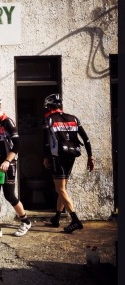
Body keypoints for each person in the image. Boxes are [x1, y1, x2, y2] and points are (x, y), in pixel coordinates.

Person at [0, 95, 32, 239]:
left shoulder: (7, 122)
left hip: (7, 164)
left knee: (9, 195)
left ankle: (26, 221)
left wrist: (7, 161)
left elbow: (17, 145)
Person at [42, 93, 94, 233]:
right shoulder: (74, 118)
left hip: (57, 156)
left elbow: (46, 141)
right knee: (63, 188)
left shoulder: (49, 119)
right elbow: (86, 139)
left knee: (60, 189)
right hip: (71, 156)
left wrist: (46, 157)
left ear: (50, 106)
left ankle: (75, 220)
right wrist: (90, 156)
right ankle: (57, 218)